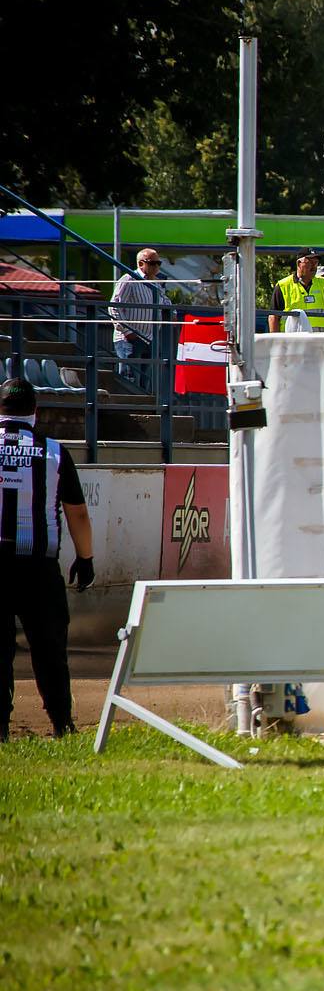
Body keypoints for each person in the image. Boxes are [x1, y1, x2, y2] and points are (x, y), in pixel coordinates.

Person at [1, 377, 96, 740]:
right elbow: (78, 513)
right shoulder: (54, 451)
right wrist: (85, 558)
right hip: (38, 567)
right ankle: (61, 723)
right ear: (35, 413)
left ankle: (0, 729)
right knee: (49, 649)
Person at [109, 248, 173, 391]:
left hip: (150, 338)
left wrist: (172, 312)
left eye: (158, 263)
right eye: (152, 263)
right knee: (130, 378)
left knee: (145, 380)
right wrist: (127, 331)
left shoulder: (157, 283)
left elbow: (166, 302)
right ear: (140, 263)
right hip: (130, 338)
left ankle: (143, 408)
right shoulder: (129, 279)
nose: (156, 267)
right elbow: (114, 306)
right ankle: (128, 409)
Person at [274, 250, 324, 332]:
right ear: (299, 263)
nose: (314, 266)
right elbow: (273, 317)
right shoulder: (283, 286)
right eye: (310, 262)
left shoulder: (323, 283)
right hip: (292, 341)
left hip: (319, 340)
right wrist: (275, 341)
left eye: (316, 262)